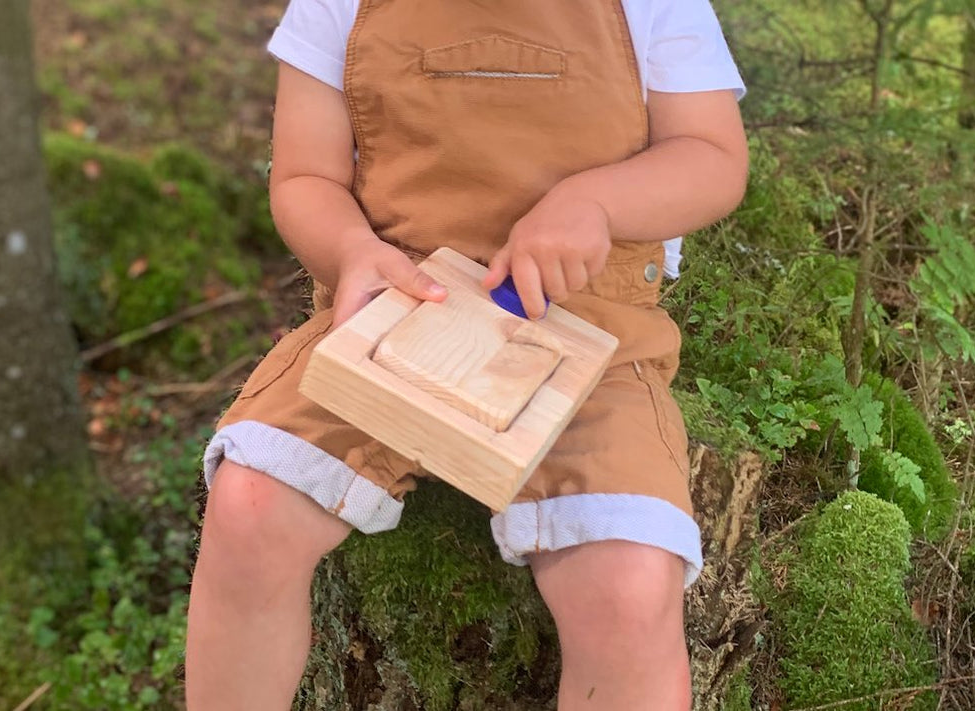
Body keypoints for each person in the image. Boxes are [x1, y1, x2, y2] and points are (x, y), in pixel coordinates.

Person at [186, 0, 749, 707]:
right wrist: (352, 251)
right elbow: (305, 177)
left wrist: (597, 204)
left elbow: (714, 158)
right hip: (391, 309)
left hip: (587, 337)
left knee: (629, 586)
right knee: (250, 505)